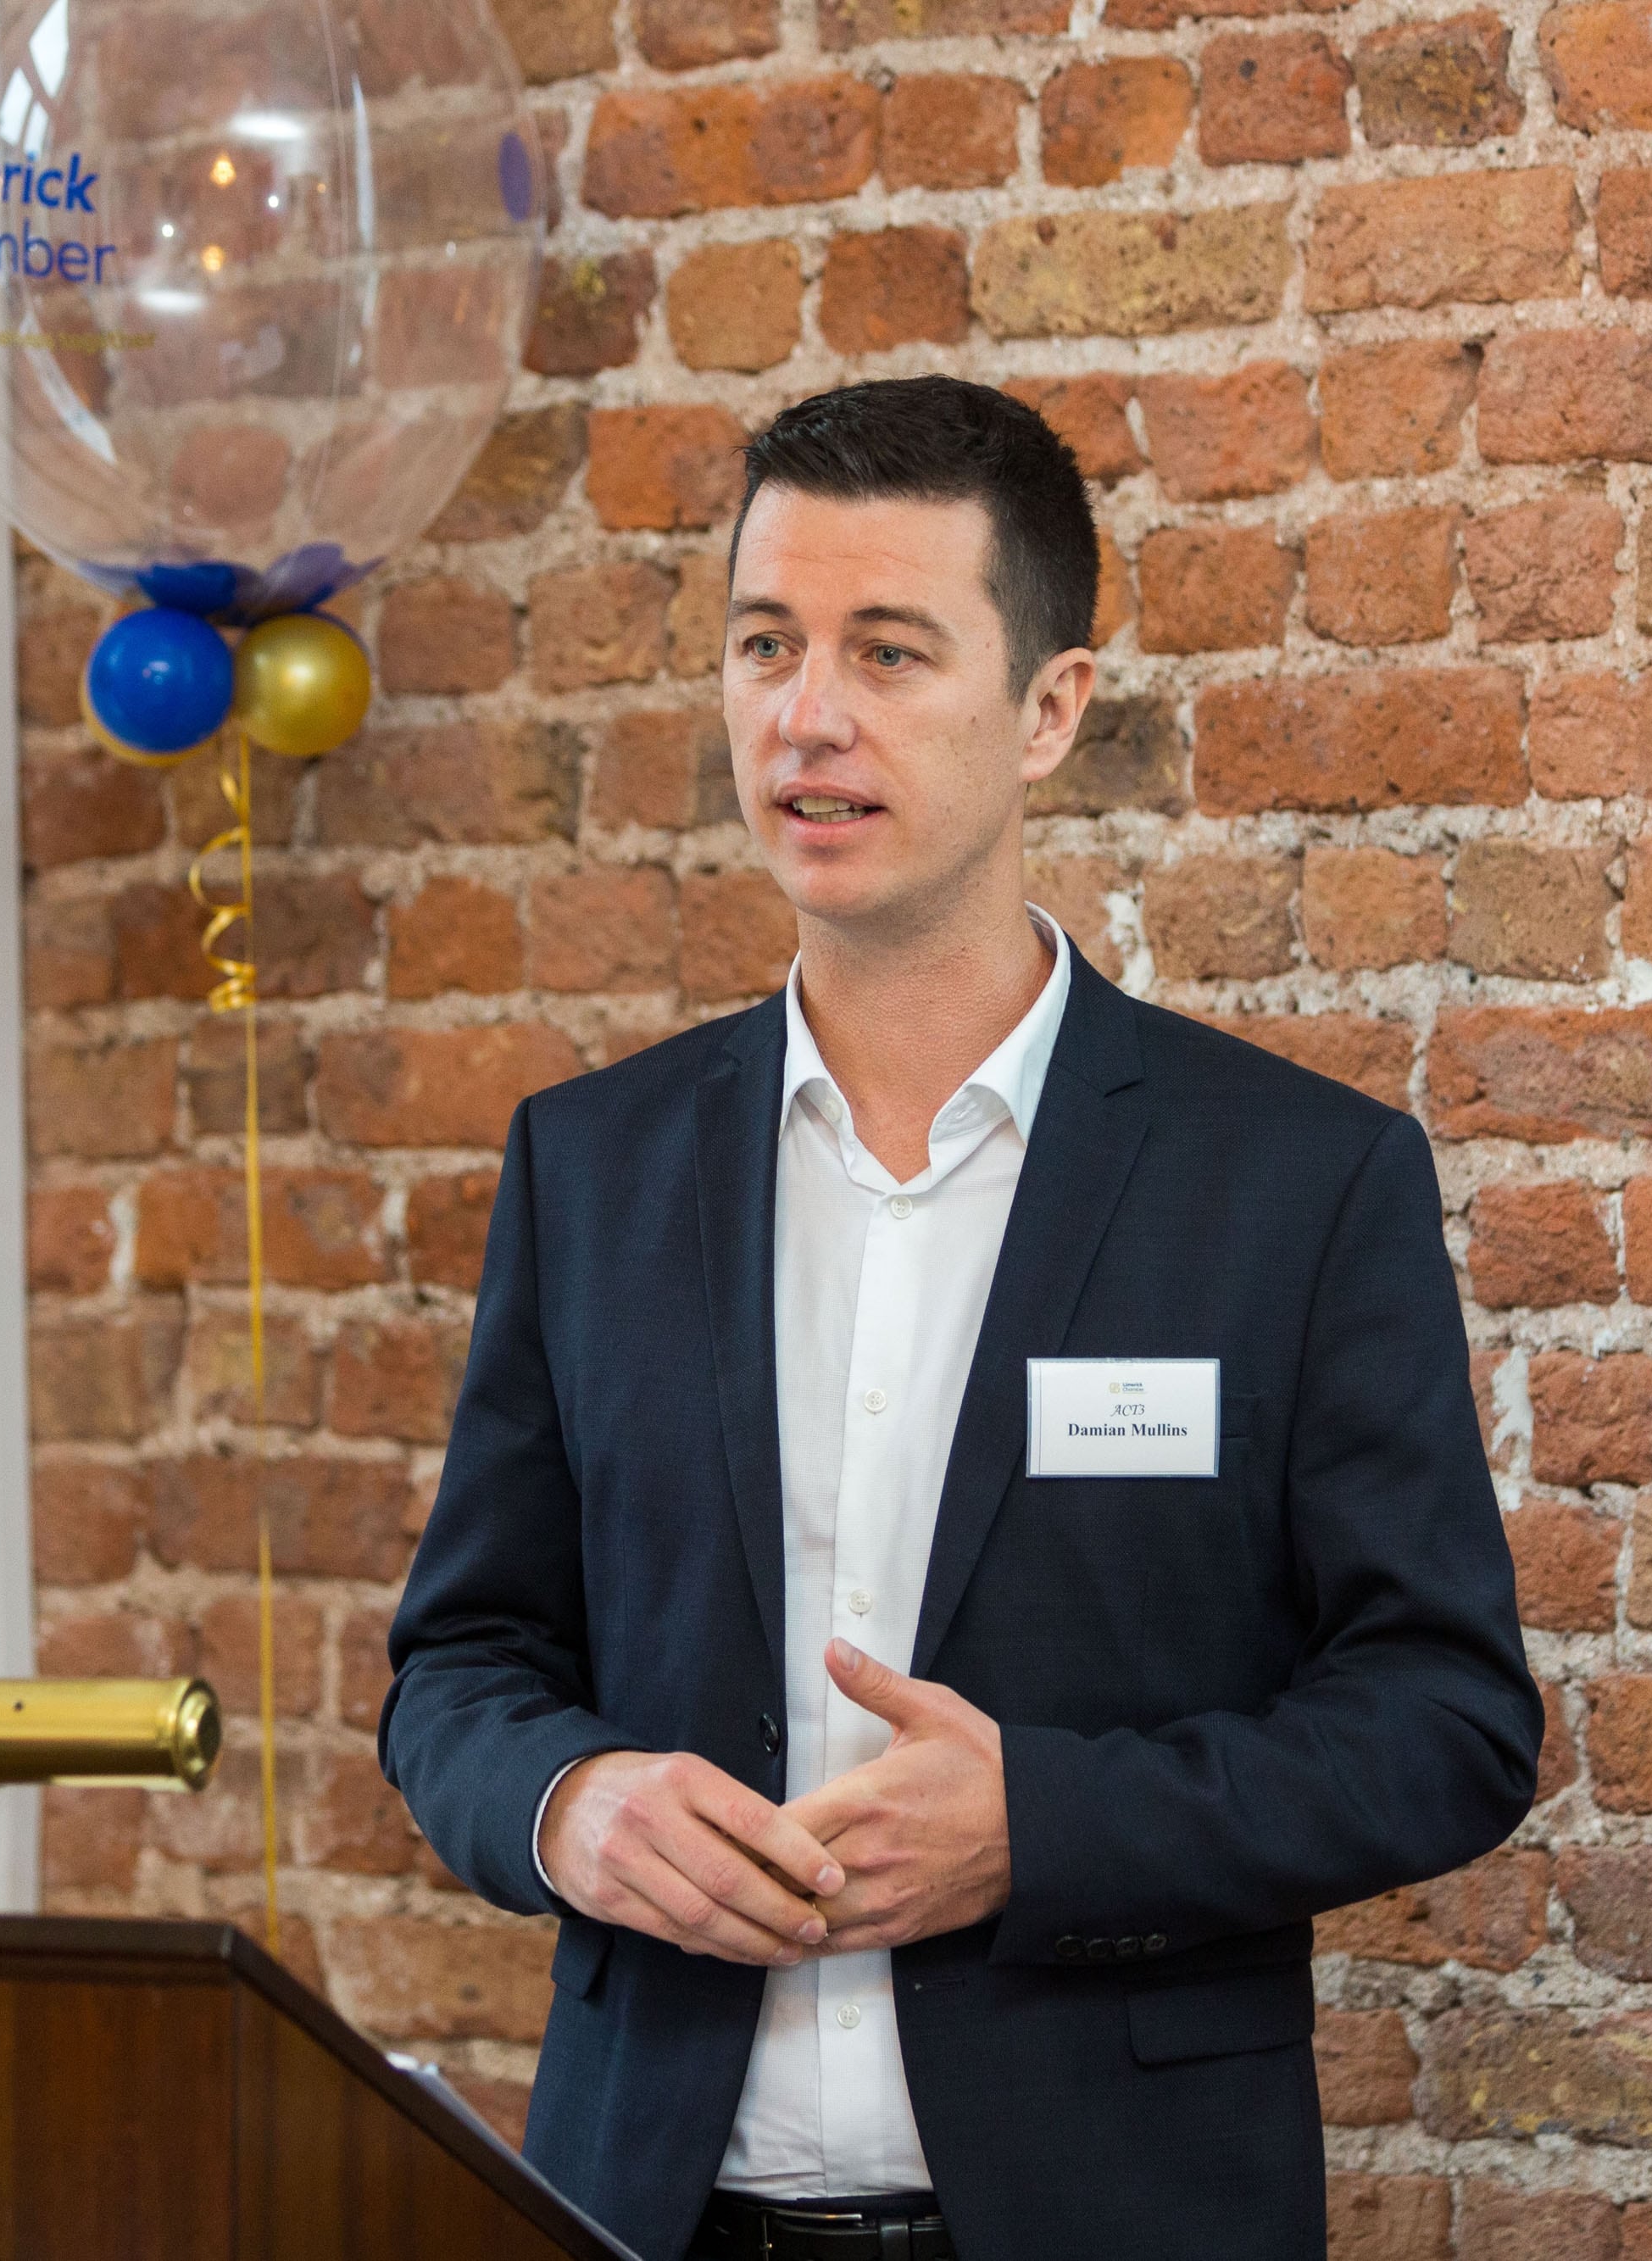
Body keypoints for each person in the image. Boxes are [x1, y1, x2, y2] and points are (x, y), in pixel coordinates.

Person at [378, 375, 1538, 2261]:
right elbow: (458, 1668)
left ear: (1049, 710)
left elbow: (1444, 1720)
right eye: (765, 644)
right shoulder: (591, 1162)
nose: (804, 715)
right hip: (651, 2206)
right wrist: (569, 1805)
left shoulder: (1295, 1183)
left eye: (886, 650)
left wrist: (1049, 1824)